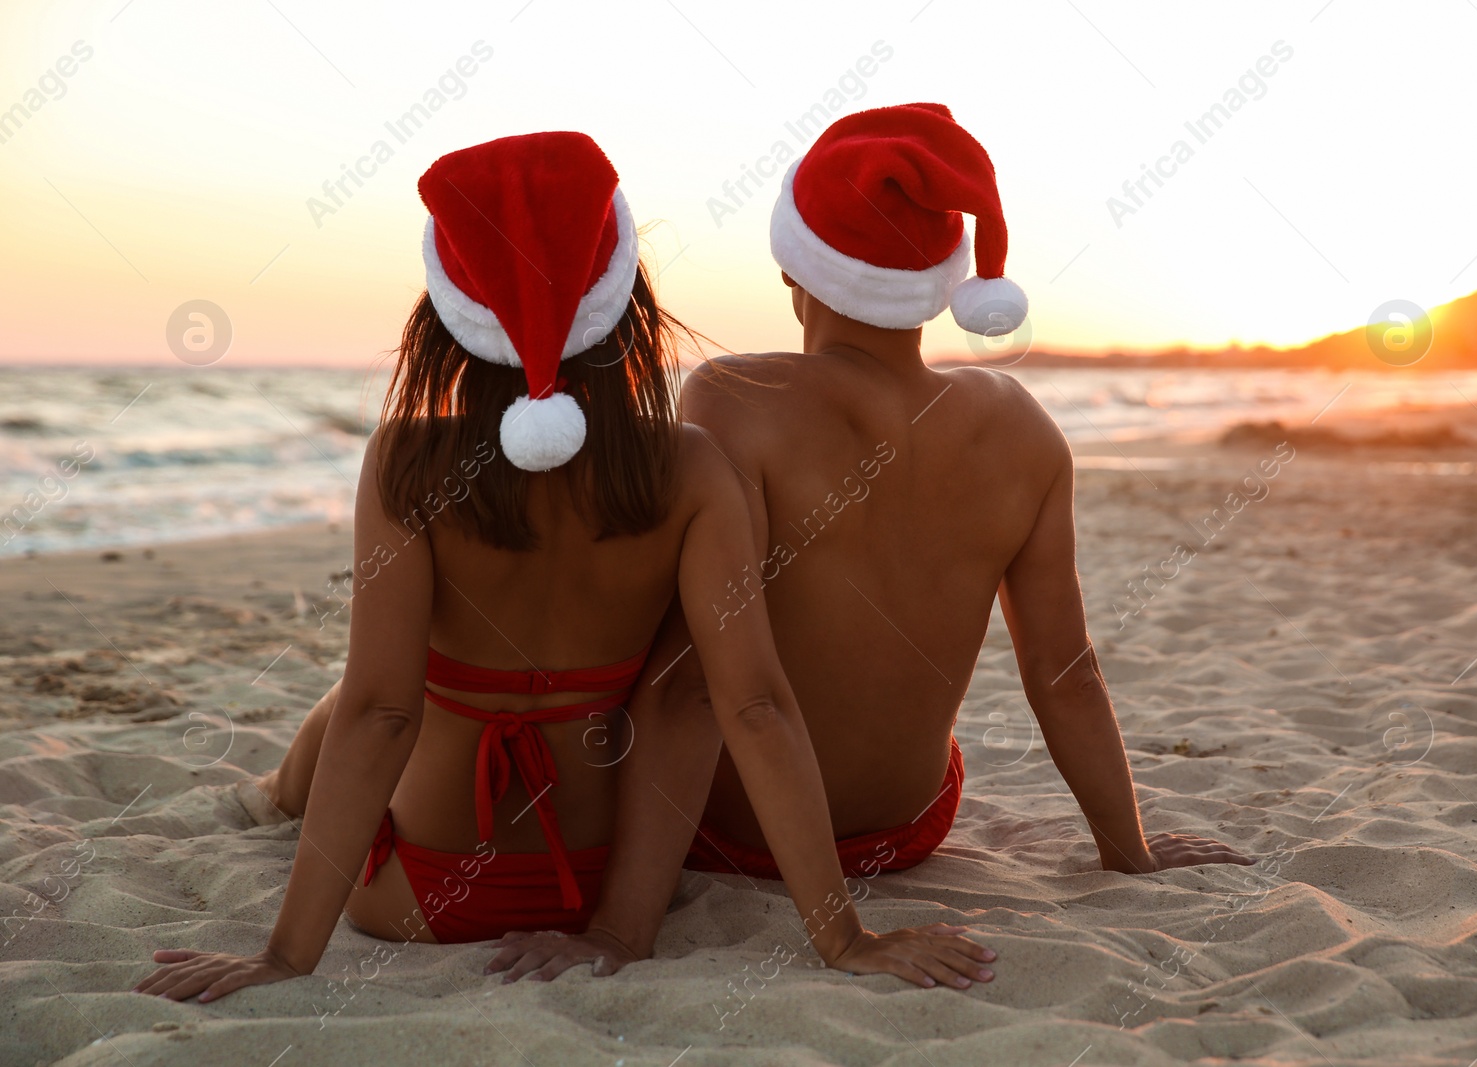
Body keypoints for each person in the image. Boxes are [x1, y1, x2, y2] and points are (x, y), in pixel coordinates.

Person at [133, 131, 994, 1004]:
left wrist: (283, 959)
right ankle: (279, 794)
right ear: (626, 304)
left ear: (446, 315)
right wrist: (839, 934)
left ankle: (277, 795)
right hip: (595, 878)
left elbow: (381, 715)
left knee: (356, 697)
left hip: (422, 897)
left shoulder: (406, 462)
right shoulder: (690, 470)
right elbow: (745, 702)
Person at [486, 103, 1254, 983]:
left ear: (795, 273)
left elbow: (696, 687)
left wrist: (623, 933)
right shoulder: (1023, 427)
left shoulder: (737, 399)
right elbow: (1064, 669)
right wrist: (1131, 851)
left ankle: (288, 793)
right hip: (911, 826)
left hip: (734, 834)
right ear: (944, 282)